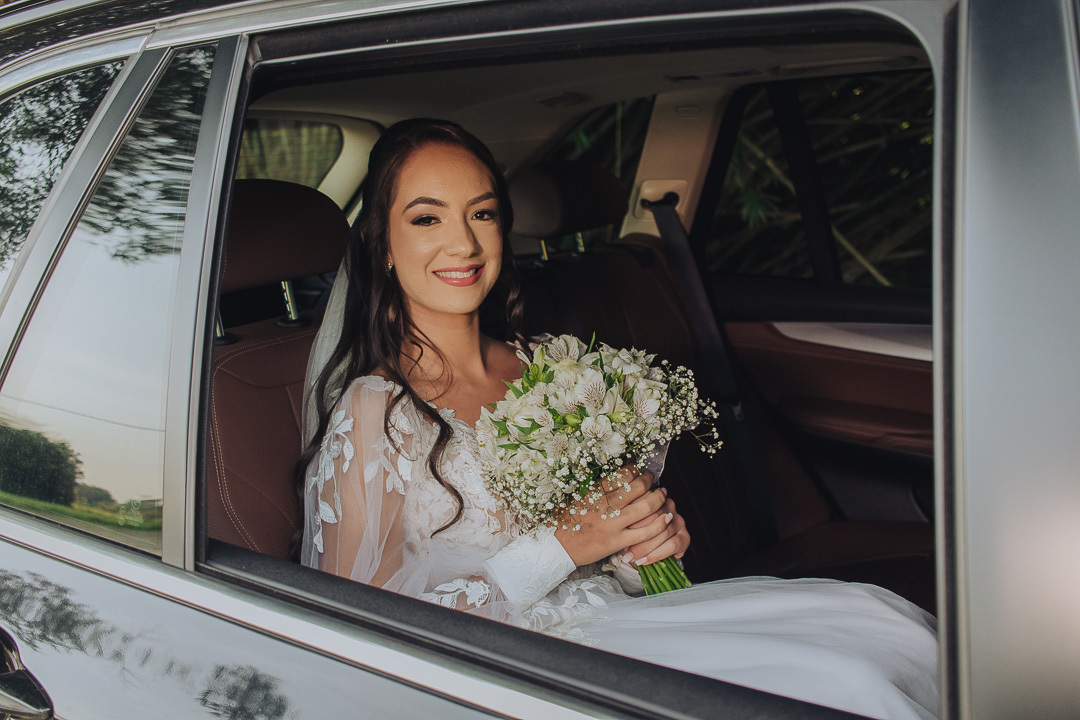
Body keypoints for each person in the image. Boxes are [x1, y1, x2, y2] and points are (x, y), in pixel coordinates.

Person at [297, 118, 939, 720]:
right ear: (380, 241)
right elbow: (365, 629)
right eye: (427, 218)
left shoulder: (552, 367)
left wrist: (641, 547)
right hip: (514, 669)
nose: (463, 243)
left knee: (888, 629)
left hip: (619, 620)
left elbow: (607, 551)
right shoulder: (373, 410)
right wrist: (559, 547)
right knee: (848, 684)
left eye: (482, 213)